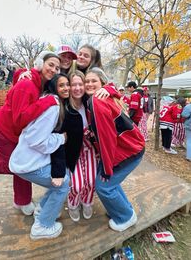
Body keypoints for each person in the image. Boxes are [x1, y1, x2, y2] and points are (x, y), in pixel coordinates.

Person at [0, 52, 61, 215]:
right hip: (3, 131)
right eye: (51, 64)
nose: (54, 69)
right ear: (41, 64)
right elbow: (20, 119)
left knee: (21, 164)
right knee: (13, 166)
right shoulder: (28, 84)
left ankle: (22, 201)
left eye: (57, 67)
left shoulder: (38, 83)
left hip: (15, 133)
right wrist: (46, 102)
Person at [9, 74, 70, 240]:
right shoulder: (53, 106)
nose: (66, 88)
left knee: (63, 176)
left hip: (28, 160)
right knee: (63, 184)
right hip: (28, 164)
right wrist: (61, 138)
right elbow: (36, 139)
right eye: (61, 85)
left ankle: (43, 209)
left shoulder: (48, 100)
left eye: (68, 84)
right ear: (53, 87)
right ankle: (42, 226)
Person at [85, 68, 145, 232]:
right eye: (87, 81)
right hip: (132, 146)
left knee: (104, 186)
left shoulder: (96, 101)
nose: (89, 84)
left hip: (129, 150)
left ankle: (125, 217)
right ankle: (123, 209)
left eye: (93, 81)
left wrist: (107, 167)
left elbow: (106, 138)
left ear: (102, 83)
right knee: (112, 183)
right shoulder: (101, 96)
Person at [66, 71, 97, 222]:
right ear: (69, 87)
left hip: (90, 148)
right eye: (74, 85)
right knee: (77, 184)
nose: (78, 88)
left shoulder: (89, 102)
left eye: (80, 84)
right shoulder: (64, 107)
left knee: (91, 181)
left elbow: (106, 87)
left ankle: (87, 202)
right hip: (73, 151)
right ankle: (73, 203)